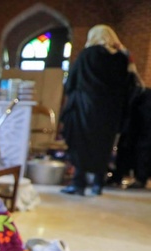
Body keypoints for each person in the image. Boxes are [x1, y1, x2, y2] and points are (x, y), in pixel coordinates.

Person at [59, 25, 136, 196]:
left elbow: (71, 81)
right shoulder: (121, 58)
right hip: (110, 113)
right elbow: (129, 85)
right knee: (104, 146)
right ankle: (98, 184)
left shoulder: (86, 55)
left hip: (85, 110)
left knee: (81, 145)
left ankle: (79, 184)